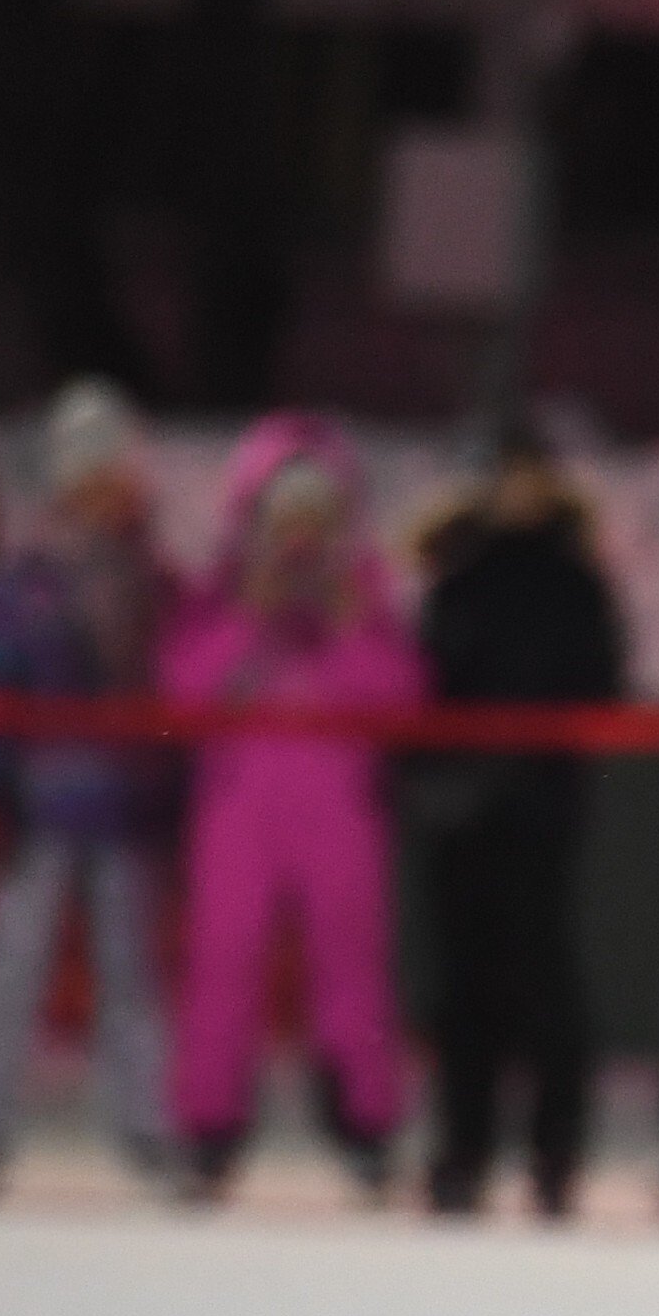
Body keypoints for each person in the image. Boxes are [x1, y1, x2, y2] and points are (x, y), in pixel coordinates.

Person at [0, 380, 178, 1199]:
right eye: (83, 475)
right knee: (13, 960)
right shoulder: (27, 581)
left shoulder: (153, 578)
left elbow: (176, 686)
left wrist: (169, 777)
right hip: (37, 803)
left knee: (130, 969)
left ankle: (145, 1122)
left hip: (125, 805)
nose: (99, 491)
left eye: (112, 474)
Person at [163, 417, 418, 1197]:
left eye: (318, 516)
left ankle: (365, 1125)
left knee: (352, 968)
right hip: (239, 806)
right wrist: (250, 614)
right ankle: (210, 1129)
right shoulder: (221, 592)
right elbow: (183, 692)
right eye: (285, 516)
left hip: (339, 806)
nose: (300, 536)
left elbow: (401, 699)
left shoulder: (363, 595)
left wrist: (345, 623)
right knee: (223, 964)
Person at [404, 419, 630, 1223]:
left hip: (540, 809)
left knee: (544, 982)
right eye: (501, 475)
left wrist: (532, 759)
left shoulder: (575, 580)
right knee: (461, 987)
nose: (515, 491)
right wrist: (443, 778)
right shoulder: (454, 574)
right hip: (459, 812)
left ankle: (554, 1154)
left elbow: (601, 682)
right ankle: (462, 1153)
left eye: (528, 474)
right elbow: (422, 685)